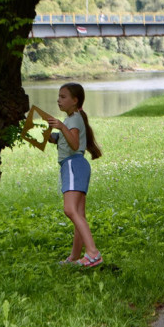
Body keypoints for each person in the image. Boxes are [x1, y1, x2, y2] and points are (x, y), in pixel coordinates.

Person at [47, 82, 103, 267]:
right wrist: (52, 137)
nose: (59, 100)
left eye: (63, 97)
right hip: (77, 166)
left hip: (73, 165)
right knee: (79, 213)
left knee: (70, 210)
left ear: (75, 100)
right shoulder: (74, 118)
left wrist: (61, 127)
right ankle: (74, 258)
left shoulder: (73, 120)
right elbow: (68, 140)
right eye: (58, 96)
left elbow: (74, 145)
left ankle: (93, 253)